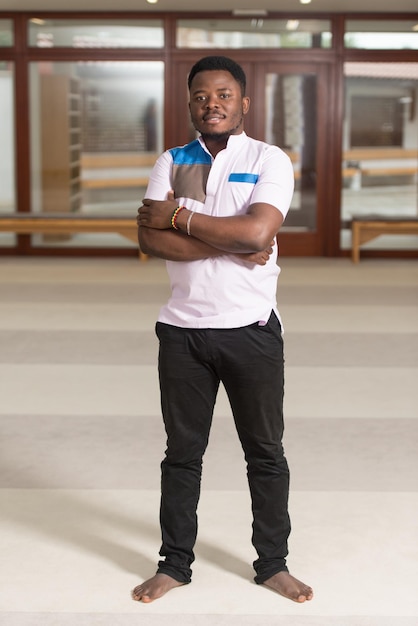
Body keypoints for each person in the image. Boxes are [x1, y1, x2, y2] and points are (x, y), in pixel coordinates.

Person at [132, 55, 313, 605]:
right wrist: (234, 242)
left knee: (265, 452)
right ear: (190, 103)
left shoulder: (267, 158)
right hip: (182, 332)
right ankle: (175, 564)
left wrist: (183, 220)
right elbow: (150, 239)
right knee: (182, 453)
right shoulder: (175, 161)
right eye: (201, 95)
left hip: (251, 331)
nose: (212, 103)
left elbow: (259, 231)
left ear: (243, 103)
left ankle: (273, 564)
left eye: (224, 94)